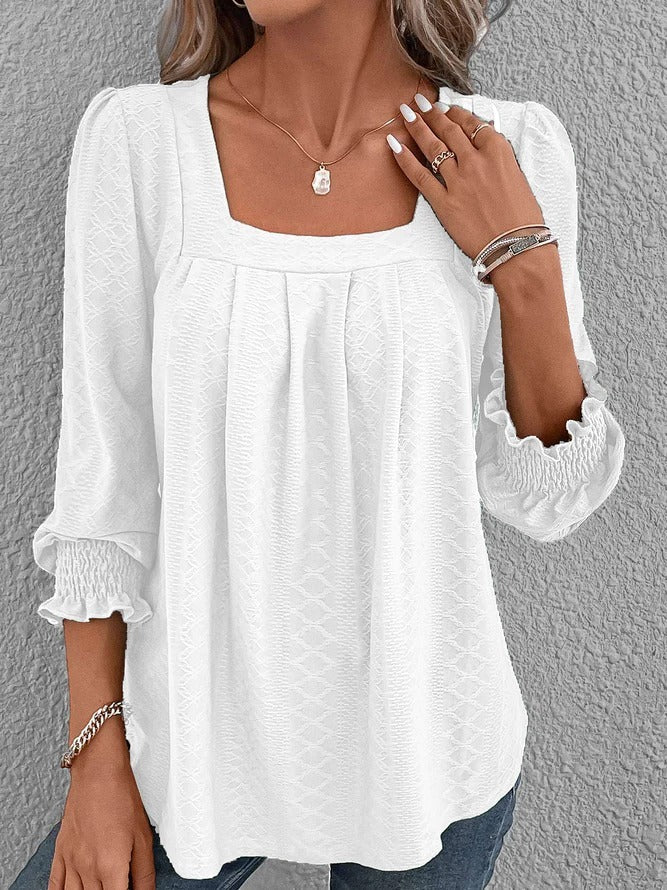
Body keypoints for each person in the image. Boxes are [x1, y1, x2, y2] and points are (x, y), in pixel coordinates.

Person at [16, 0, 626, 888]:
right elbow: (103, 484)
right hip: (190, 748)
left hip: (429, 754)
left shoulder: (506, 150)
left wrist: (522, 264)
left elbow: (543, 500)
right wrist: (97, 759)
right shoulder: (141, 143)